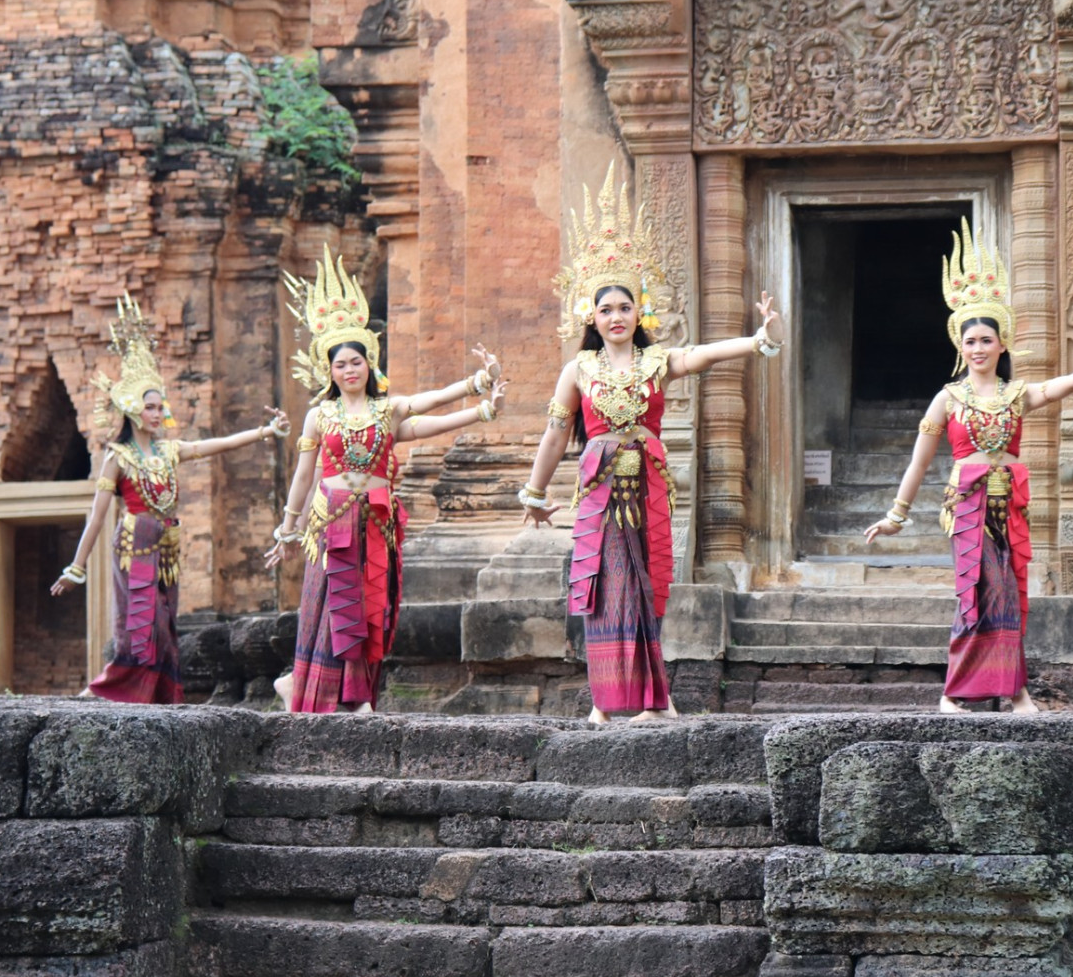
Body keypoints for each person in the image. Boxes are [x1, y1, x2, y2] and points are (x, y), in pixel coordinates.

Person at [520, 171, 783, 725]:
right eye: (606, 309)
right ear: (589, 317)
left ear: (640, 313)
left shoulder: (657, 361)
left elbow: (704, 355)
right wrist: (534, 490)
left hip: (647, 486)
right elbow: (553, 432)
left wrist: (760, 340)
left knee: (645, 583)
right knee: (604, 580)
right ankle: (604, 700)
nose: (616, 317)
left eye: (624, 307)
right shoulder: (579, 368)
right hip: (599, 487)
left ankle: (654, 699)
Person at [864, 223, 1073, 712]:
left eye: (987, 340)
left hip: (1009, 503)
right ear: (960, 347)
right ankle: (956, 691)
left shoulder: (1017, 394)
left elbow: (1063, 385)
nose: (979, 349)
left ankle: (1015, 691)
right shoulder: (946, 400)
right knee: (980, 590)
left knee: (1010, 592)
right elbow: (919, 462)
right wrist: (896, 515)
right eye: (971, 342)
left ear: (1002, 345)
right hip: (967, 508)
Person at [263, 249, 505, 713]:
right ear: (329, 371)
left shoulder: (386, 409)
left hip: (375, 518)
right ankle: (309, 685)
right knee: (331, 603)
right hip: (329, 518)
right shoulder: (319, 415)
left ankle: (348, 694)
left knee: (371, 602)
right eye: (340, 365)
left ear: (369, 364)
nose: (350, 370)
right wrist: (288, 529)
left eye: (356, 361)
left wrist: (479, 390)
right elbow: (302, 476)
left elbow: (431, 409)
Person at [53, 293, 290, 704]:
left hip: (167, 544)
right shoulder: (118, 456)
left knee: (164, 623)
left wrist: (264, 432)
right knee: (138, 624)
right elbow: (97, 516)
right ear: (130, 409)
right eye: (149, 406)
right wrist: (76, 567)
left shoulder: (169, 450)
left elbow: (217, 444)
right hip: (135, 542)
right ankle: (102, 692)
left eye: (159, 407)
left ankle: (156, 698)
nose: (156, 414)